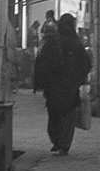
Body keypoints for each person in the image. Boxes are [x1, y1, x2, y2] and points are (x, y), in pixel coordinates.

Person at [32, 12, 92, 154]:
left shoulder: (52, 41)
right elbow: (85, 65)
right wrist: (78, 80)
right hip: (69, 88)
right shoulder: (76, 44)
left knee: (54, 115)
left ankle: (56, 141)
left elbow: (41, 63)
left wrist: (42, 83)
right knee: (67, 116)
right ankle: (64, 144)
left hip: (53, 87)